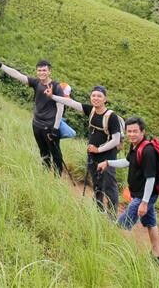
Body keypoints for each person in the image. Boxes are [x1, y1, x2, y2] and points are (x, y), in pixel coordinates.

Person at [97, 117, 159, 265]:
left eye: (135, 131)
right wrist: (108, 162)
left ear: (143, 132)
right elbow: (128, 162)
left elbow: (151, 178)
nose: (132, 134)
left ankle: (123, 258)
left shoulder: (147, 151)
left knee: (121, 226)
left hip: (143, 197)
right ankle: (158, 256)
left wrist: (144, 203)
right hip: (142, 195)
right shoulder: (135, 147)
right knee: (151, 223)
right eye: (129, 131)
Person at [50, 85, 122, 216]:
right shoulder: (91, 111)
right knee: (96, 184)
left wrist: (98, 149)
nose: (96, 98)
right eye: (93, 95)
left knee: (110, 187)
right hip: (92, 156)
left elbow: (116, 140)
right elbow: (71, 103)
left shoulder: (111, 117)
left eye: (99, 96)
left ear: (105, 99)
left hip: (107, 158)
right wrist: (52, 96)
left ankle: (112, 216)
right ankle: (98, 210)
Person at [0, 58, 65, 176]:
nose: (41, 73)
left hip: (50, 127)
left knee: (55, 154)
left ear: (49, 71)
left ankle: (57, 178)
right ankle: (45, 175)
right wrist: (1, 66)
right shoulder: (36, 83)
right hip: (37, 125)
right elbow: (18, 75)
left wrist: (56, 128)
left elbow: (61, 107)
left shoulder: (56, 87)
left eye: (44, 70)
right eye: (39, 70)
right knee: (43, 152)